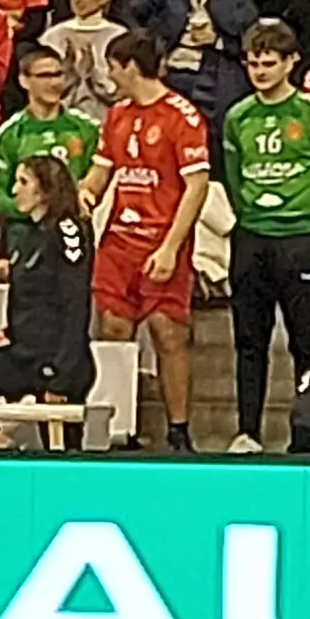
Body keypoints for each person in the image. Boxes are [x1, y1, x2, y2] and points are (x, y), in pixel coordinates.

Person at [216, 23, 310, 452]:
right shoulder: (237, 117)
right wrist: (251, 214)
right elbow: (233, 179)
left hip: (300, 238)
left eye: (269, 63)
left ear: (291, 63)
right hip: (252, 238)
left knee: (305, 342)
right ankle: (247, 432)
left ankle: (306, 436)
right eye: (253, 63)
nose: (260, 71)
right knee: (249, 341)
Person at [88, 29, 208, 453]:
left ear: (130, 67)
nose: (109, 76)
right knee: (113, 327)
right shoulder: (117, 115)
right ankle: (119, 426)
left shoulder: (182, 116)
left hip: (161, 240)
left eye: (113, 67)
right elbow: (102, 171)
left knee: (167, 331)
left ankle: (179, 431)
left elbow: (197, 186)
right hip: (119, 240)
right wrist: (83, 195)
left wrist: (171, 247)